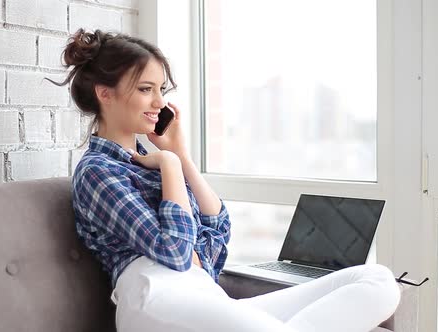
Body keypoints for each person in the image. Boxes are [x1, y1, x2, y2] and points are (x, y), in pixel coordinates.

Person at [50, 28, 401, 332]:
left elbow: (217, 234)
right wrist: (170, 166)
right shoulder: (97, 171)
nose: (160, 101)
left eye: (161, 89)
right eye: (145, 89)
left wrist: (182, 157)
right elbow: (174, 252)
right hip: (155, 297)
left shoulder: (152, 161)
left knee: (378, 281)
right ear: (104, 92)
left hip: (205, 295)